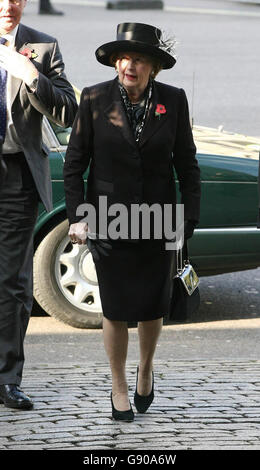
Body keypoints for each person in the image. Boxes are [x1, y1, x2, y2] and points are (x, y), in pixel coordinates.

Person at [63, 22, 201, 421]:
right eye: (123, 58)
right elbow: (74, 165)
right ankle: (119, 383)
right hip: (108, 219)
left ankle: (145, 368)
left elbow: (187, 165)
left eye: (138, 58)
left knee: (152, 307)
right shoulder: (93, 98)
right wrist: (77, 216)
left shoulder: (173, 101)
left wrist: (188, 215)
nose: (129, 65)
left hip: (158, 220)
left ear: (153, 67)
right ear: (115, 62)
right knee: (116, 308)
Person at [0, 0, 77, 410]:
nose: (9, 4)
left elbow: (67, 112)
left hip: (17, 175)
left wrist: (30, 75)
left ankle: (6, 378)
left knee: (12, 283)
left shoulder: (42, 49)